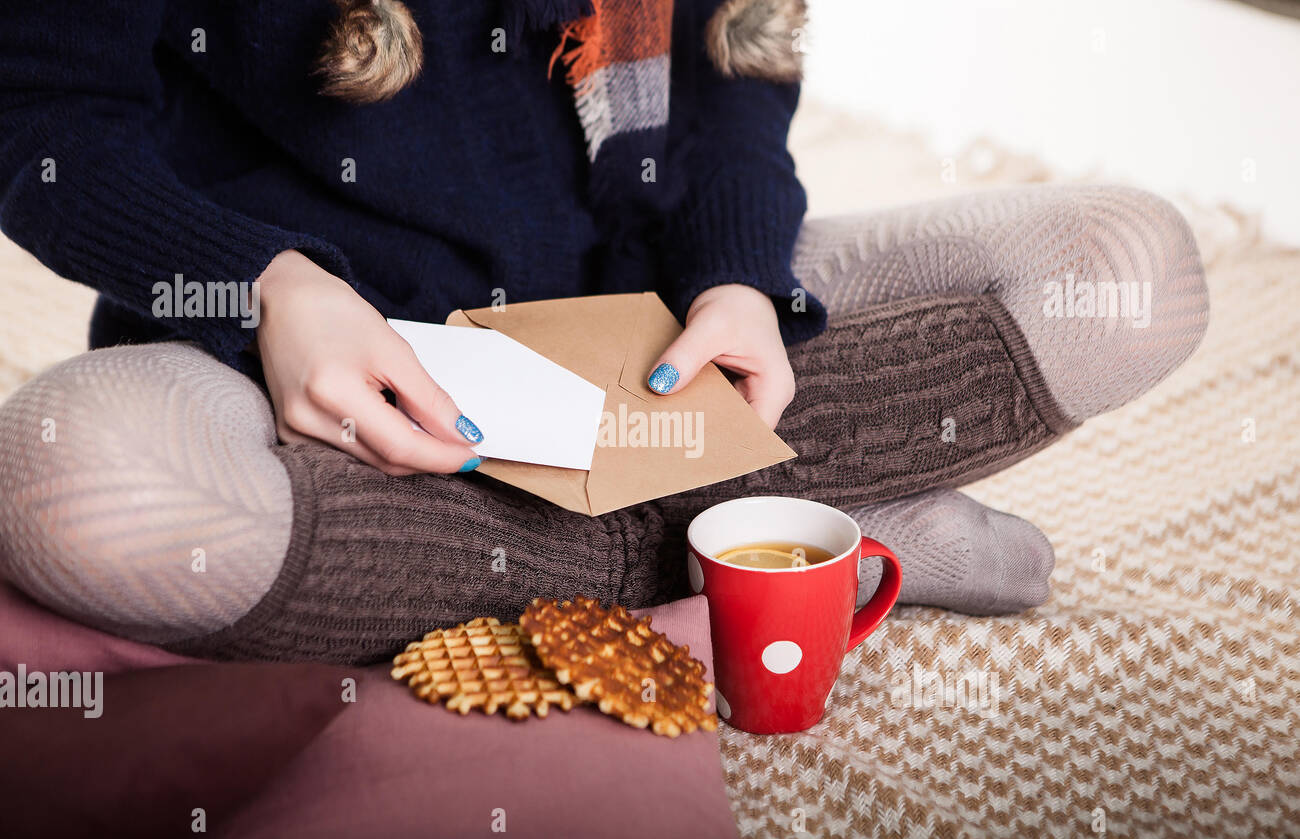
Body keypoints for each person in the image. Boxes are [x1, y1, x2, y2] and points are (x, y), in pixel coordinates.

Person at [0, 0, 1209, 662]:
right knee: (77, 483)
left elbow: (733, 58)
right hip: (308, 371)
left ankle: (612, 544)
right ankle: (748, 545)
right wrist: (263, 287)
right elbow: (45, 117)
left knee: (1125, 272)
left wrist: (736, 277)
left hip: (647, 307)